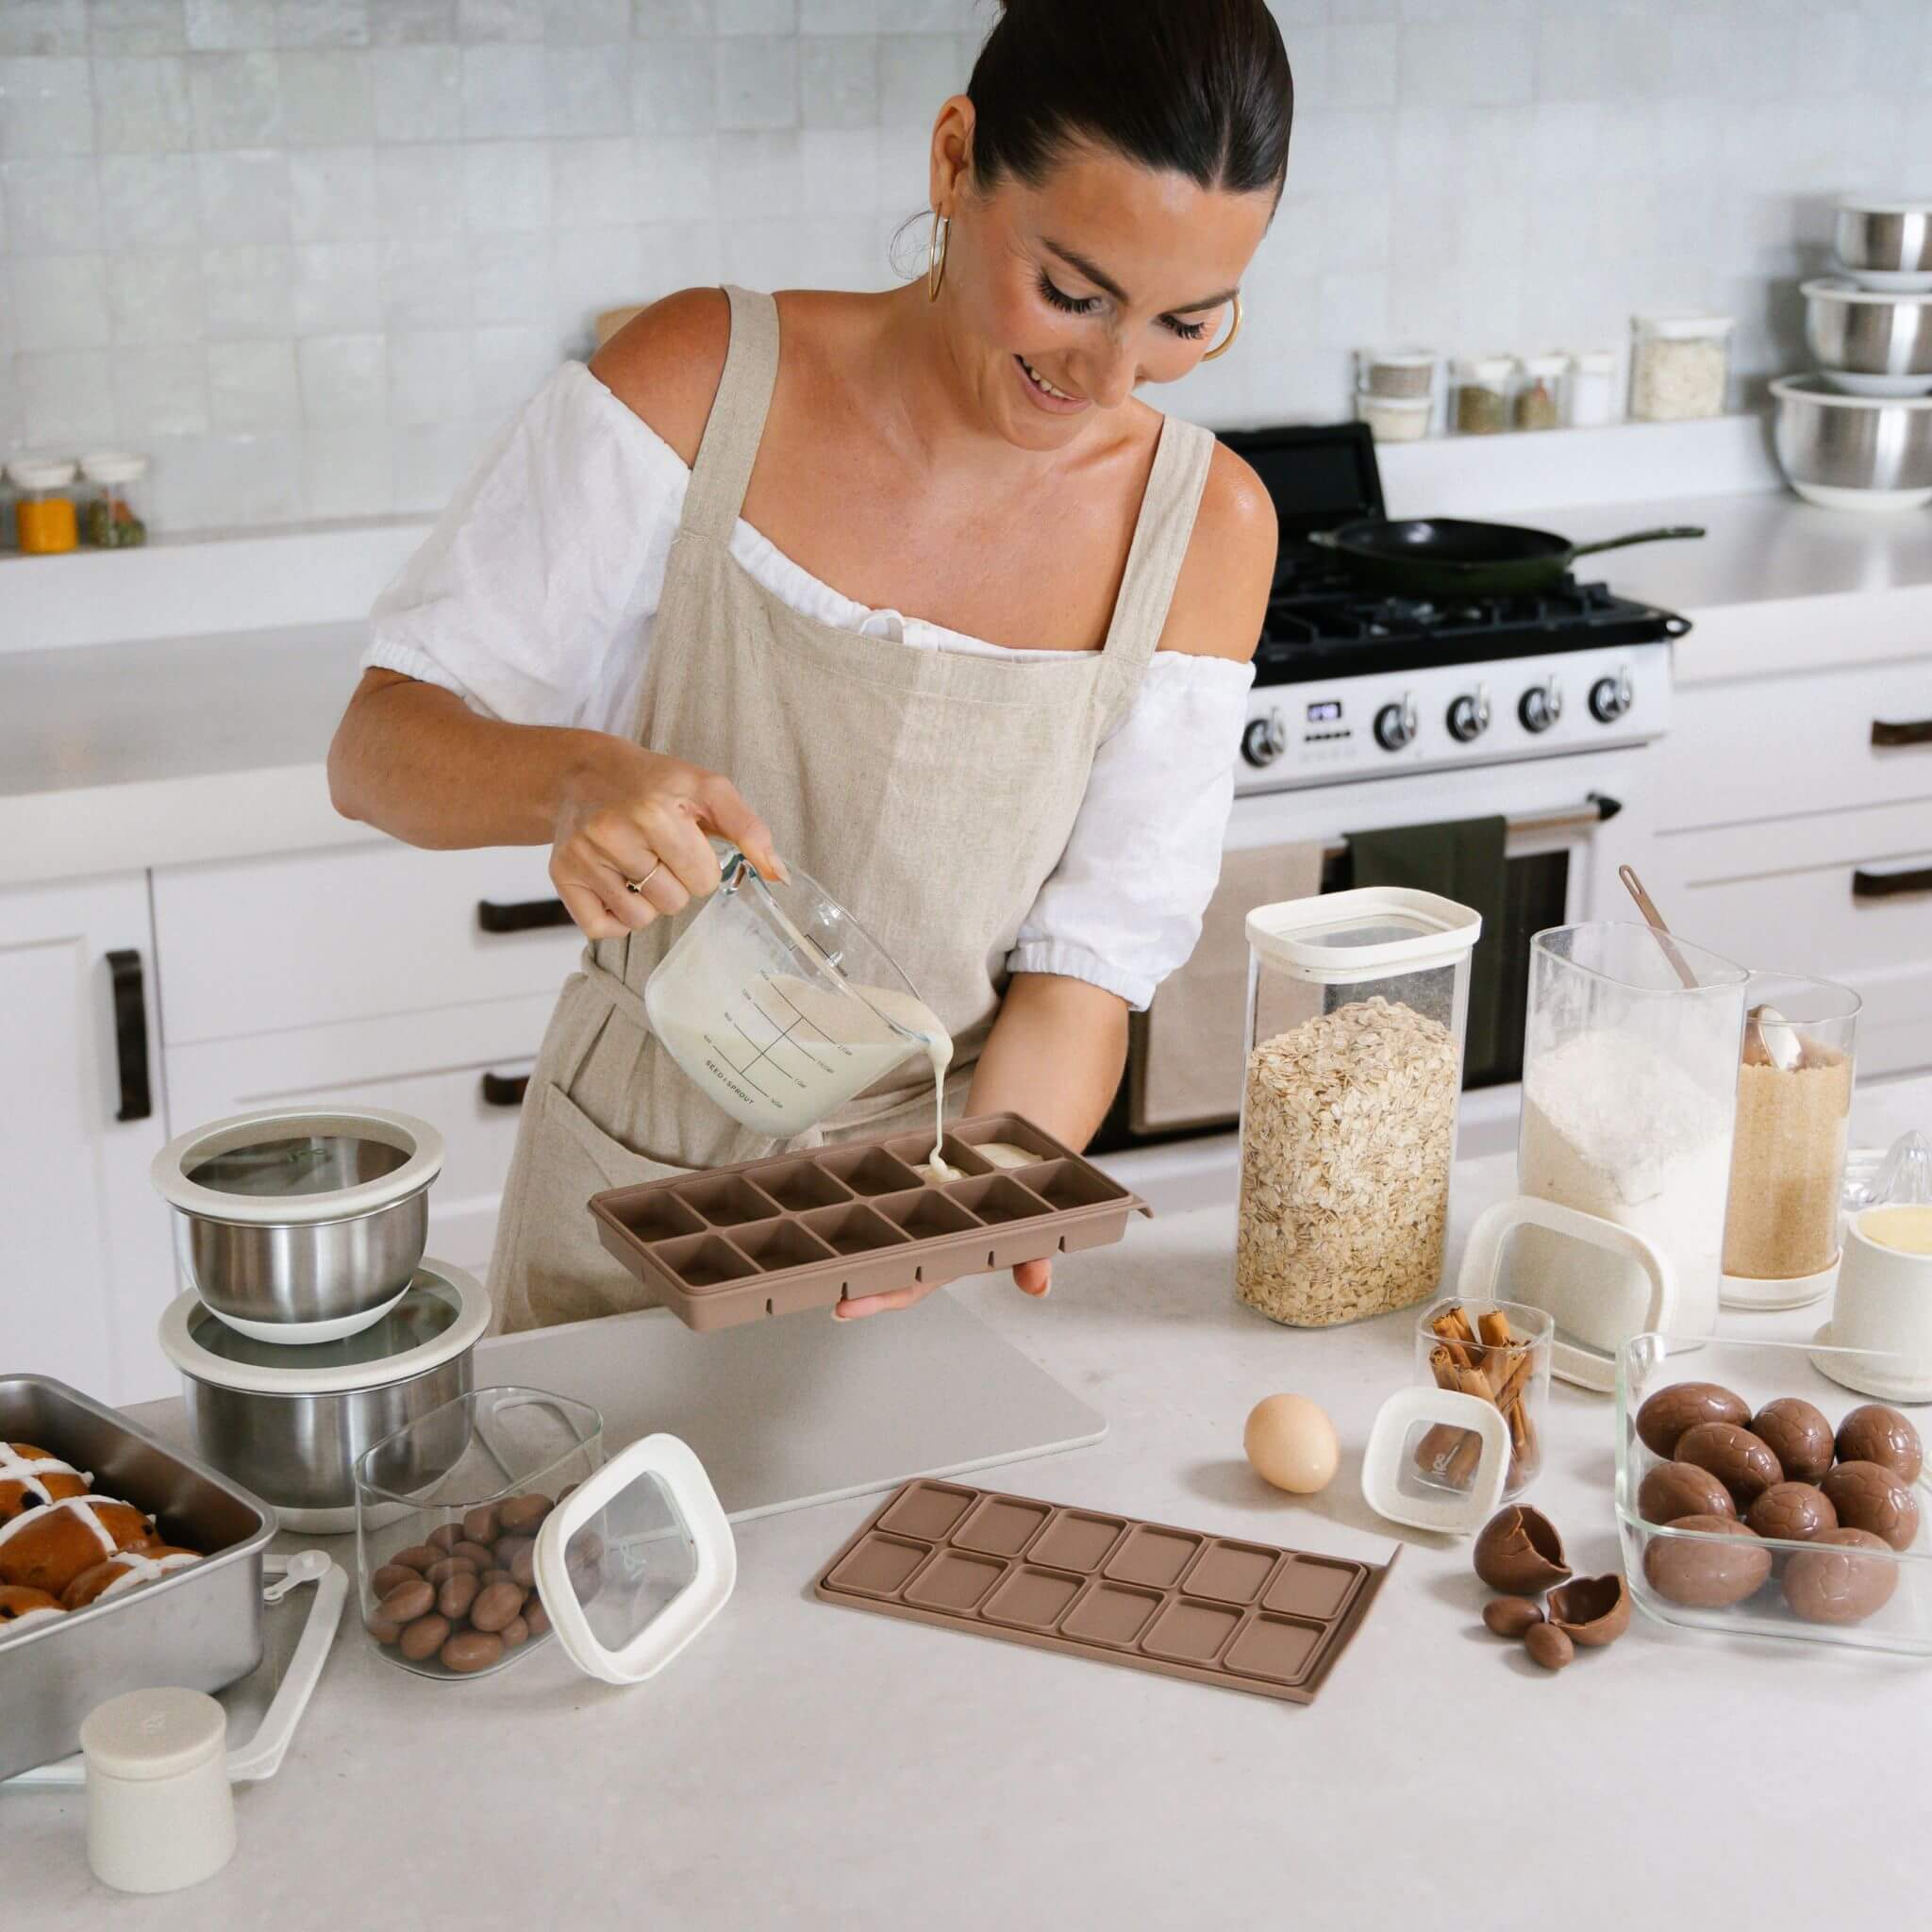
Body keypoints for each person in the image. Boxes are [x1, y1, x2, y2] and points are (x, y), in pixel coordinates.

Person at [327, 0, 1294, 1333]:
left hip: (928, 1211)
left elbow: (1088, 980)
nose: (1112, 371)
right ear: (956, 159)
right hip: (629, 1179)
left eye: (1190, 323)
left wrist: (970, 1198)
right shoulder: (697, 378)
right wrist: (571, 782)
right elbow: (375, 752)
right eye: (1073, 293)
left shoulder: (1210, 530)